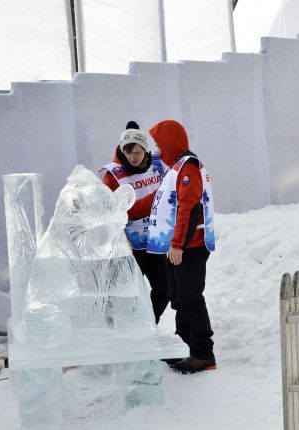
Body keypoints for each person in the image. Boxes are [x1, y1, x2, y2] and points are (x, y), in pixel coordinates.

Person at [147, 119, 217, 374]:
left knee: (190, 299)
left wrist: (178, 245)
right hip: (178, 246)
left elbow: (189, 207)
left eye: (158, 142)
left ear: (170, 141)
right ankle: (187, 347)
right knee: (178, 298)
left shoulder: (188, 167)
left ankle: (202, 354)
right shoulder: (176, 167)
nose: (156, 148)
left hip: (189, 246)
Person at [100, 121, 169, 324]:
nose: (133, 157)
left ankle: (146, 327)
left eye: (137, 151)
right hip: (128, 246)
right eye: (128, 152)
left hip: (155, 240)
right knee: (127, 294)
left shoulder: (158, 165)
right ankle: (122, 333)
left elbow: (171, 197)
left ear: (145, 149)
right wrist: (156, 199)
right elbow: (117, 212)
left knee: (164, 290)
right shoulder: (113, 175)